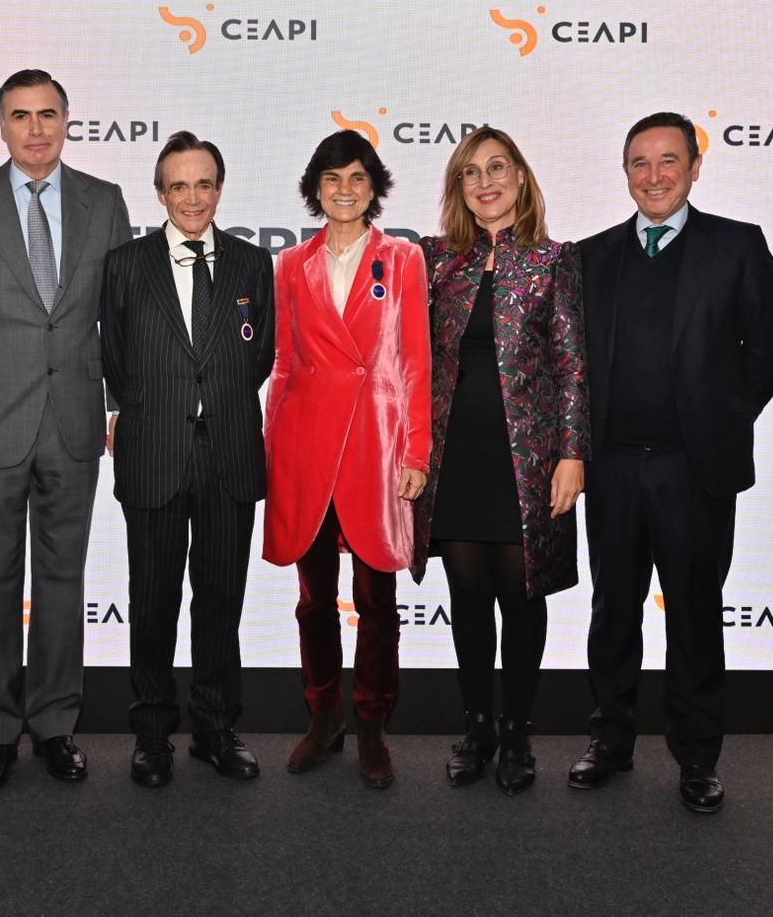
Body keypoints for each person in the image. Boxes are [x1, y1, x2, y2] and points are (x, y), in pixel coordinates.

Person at [0, 69, 131, 793]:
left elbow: (122, 317)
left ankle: (57, 725)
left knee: (64, 580)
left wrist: (120, 405)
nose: (36, 129)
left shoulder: (104, 201)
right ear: (1, 124)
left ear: (68, 120)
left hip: (75, 419)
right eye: (20, 115)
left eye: (48, 114)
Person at [571, 112, 773, 813]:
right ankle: (609, 741)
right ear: (625, 172)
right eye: (640, 162)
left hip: (693, 470)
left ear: (695, 167)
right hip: (611, 469)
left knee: (694, 615)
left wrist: (717, 423)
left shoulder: (738, 246)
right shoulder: (591, 257)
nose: (654, 176)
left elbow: (767, 354)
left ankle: (697, 758)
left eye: (669, 161)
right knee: (613, 611)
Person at [415, 126, 589, 794]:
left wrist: (572, 454)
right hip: (454, 457)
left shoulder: (553, 260)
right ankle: (477, 728)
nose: (484, 182)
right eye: (470, 172)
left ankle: (516, 732)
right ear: (458, 187)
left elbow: (572, 368)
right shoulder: (435, 260)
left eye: (496, 168)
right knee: (466, 597)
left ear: (520, 177)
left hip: (526, 461)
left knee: (521, 598)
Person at [100, 131, 276, 788]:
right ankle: (152, 734)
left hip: (229, 452)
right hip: (154, 453)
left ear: (220, 189)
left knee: (221, 602)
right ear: (160, 193)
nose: (193, 198)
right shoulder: (126, 264)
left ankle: (215, 729)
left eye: (204, 184)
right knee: (151, 602)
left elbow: (259, 356)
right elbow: (115, 359)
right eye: (179, 185)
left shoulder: (252, 264)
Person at [263, 129, 431, 789]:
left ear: (374, 187)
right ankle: (324, 715)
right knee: (313, 600)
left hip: (376, 446)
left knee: (376, 597)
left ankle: (371, 723)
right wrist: (275, 450)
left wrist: (416, 449)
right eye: (332, 178)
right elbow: (283, 365)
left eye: (357, 177)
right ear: (315, 188)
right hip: (306, 447)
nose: (344, 189)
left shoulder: (404, 258)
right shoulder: (290, 265)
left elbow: (415, 362)